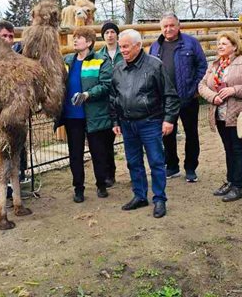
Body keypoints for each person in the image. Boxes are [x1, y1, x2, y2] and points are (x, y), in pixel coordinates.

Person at [110, 29, 180, 218]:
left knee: (157, 162)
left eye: (125, 46)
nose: (122, 50)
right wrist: (115, 120)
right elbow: (113, 97)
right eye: (120, 46)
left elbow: (170, 94)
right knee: (133, 162)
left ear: (138, 46)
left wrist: (169, 119)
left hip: (150, 122)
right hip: (127, 123)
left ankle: (159, 199)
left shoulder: (154, 66)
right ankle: (140, 196)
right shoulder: (118, 68)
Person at [198, 31, 242, 202]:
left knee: (238, 148)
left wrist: (234, 90)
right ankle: (231, 181)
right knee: (228, 148)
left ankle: (238, 186)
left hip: (237, 114)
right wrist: (213, 97)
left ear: (234, 46)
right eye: (218, 43)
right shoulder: (215, 65)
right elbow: (202, 85)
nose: (220, 46)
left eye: (224, 43)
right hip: (219, 114)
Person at [149, 13, 207, 182]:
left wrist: (195, 87)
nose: (168, 29)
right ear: (161, 28)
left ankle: (190, 168)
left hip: (187, 97)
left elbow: (202, 66)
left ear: (178, 26)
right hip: (165, 100)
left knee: (191, 134)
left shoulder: (190, 43)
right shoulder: (155, 47)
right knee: (167, 134)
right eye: (165, 26)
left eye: (171, 25)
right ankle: (172, 166)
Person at [58, 27, 114, 203]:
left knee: (99, 152)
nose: (75, 41)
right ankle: (78, 188)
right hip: (72, 117)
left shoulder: (101, 61)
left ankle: (101, 184)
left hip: (94, 115)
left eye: (79, 38)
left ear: (89, 42)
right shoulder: (67, 61)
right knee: (75, 154)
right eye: (74, 38)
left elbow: (106, 85)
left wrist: (88, 94)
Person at [0, 20, 29, 207]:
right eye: (4, 36)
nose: (8, 39)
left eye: (11, 36)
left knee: (15, 151)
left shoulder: (18, 55)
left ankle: (9, 190)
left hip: (14, 114)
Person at [97, 21, 124, 187]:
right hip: (107, 101)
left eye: (112, 32)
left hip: (125, 96)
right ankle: (109, 173)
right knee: (107, 141)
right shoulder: (99, 55)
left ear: (117, 34)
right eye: (106, 33)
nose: (110, 35)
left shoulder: (125, 51)